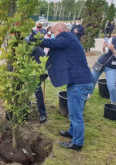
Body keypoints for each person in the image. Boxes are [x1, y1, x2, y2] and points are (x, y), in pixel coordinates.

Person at [41, 22, 94, 151]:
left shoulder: (66, 37)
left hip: (79, 83)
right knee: (74, 112)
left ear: (60, 30)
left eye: (53, 33)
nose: (52, 36)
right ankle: (71, 132)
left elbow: (52, 43)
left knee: (76, 116)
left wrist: (36, 39)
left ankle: (77, 143)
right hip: (78, 82)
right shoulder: (70, 38)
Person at [92, 25, 116, 104]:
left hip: (111, 67)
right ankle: (87, 95)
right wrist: (104, 47)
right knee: (92, 81)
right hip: (100, 63)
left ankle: (113, 103)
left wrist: (113, 49)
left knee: (112, 87)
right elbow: (104, 52)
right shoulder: (112, 39)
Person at [31, 47, 48, 123]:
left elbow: (43, 67)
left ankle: (43, 113)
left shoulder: (37, 50)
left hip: (39, 70)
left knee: (37, 89)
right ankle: (25, 106)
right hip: (28, 69)